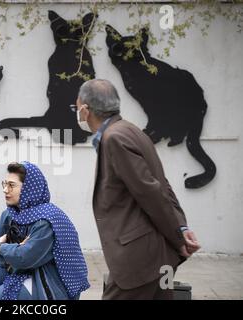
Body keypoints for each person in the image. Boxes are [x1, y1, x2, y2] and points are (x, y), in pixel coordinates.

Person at [74, 79, 201, 299]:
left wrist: (179, 237)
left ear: (86, 110)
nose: (76, 113)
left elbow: (150, 192)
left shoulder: (114, 138)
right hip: (157, 258)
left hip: (139, 261)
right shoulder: (132, 130)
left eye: (76, 108)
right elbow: (162, 184)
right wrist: (180, 227)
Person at [0, 161, 90, 300]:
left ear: (29, 188)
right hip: (17, 271)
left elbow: (23, 257)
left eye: (11, 185)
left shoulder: (47, 221)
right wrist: (15, 252)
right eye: (4, 184)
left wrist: (3, 248)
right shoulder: (11, 214)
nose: (5, 190)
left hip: (44, 280)